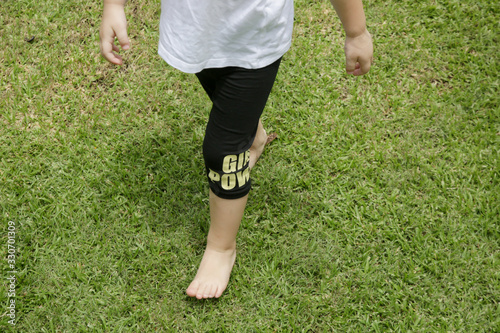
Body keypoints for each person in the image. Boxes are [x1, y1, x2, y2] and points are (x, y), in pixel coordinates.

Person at [100, 0, 373, 299]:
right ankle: (253, 136)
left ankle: (221, 247)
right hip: (196, 31)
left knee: (223, 151)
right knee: (222, 98)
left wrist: (356, 32)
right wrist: (113, 5)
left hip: (254, 38)